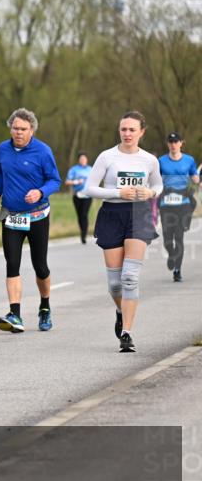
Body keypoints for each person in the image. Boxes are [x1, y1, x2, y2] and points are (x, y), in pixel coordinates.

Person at [84, 111, 164, 352]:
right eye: (123, 129)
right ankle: (120, 311)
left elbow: (158, 184)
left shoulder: (149, 159)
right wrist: (117, 193)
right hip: (111, 215)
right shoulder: (107, 157)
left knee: (130, 277)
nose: (127, 133)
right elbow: (89, 188)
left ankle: (127, 333)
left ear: (141, 132)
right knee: (115, 284)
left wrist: (151, 193)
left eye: (132, 129)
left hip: (138, 215)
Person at [0, 108, 61, 334]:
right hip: (12, 215)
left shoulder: (43, 151)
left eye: (23, 129)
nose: (18, 132)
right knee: (12, 264)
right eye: (15, 128)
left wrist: (40, 192)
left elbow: (55, 180)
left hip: (38, 215)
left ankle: (45, 306)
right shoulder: (2, 149)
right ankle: (15, 314)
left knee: (40, 266)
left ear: (31, 130)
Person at [158, 132, 199, 282]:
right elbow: (155, 179)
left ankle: (177, 270)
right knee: (167, 239)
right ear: (168, 143)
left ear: (181, 143)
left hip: (183, 204)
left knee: (179, 237)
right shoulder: (161, 161)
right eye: (170, 142)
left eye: (176, 141)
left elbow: (194, 177)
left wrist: (197, 180)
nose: (173, 144)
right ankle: (171, 254)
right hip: (166, 204)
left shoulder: (189, 160)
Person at [65, 152, 94, 244]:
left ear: (87, 160)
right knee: (80, 215)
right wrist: (76, 182)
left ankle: (83, 235)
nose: (83, 160)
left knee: (84, 214)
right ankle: (82, 230)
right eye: (81, 159)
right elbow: (67, 182)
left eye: (84, 159)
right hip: (77, 195)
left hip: (87, 195)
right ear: (79, 160)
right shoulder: (74, 170)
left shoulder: (91, 169)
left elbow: (95, 180)